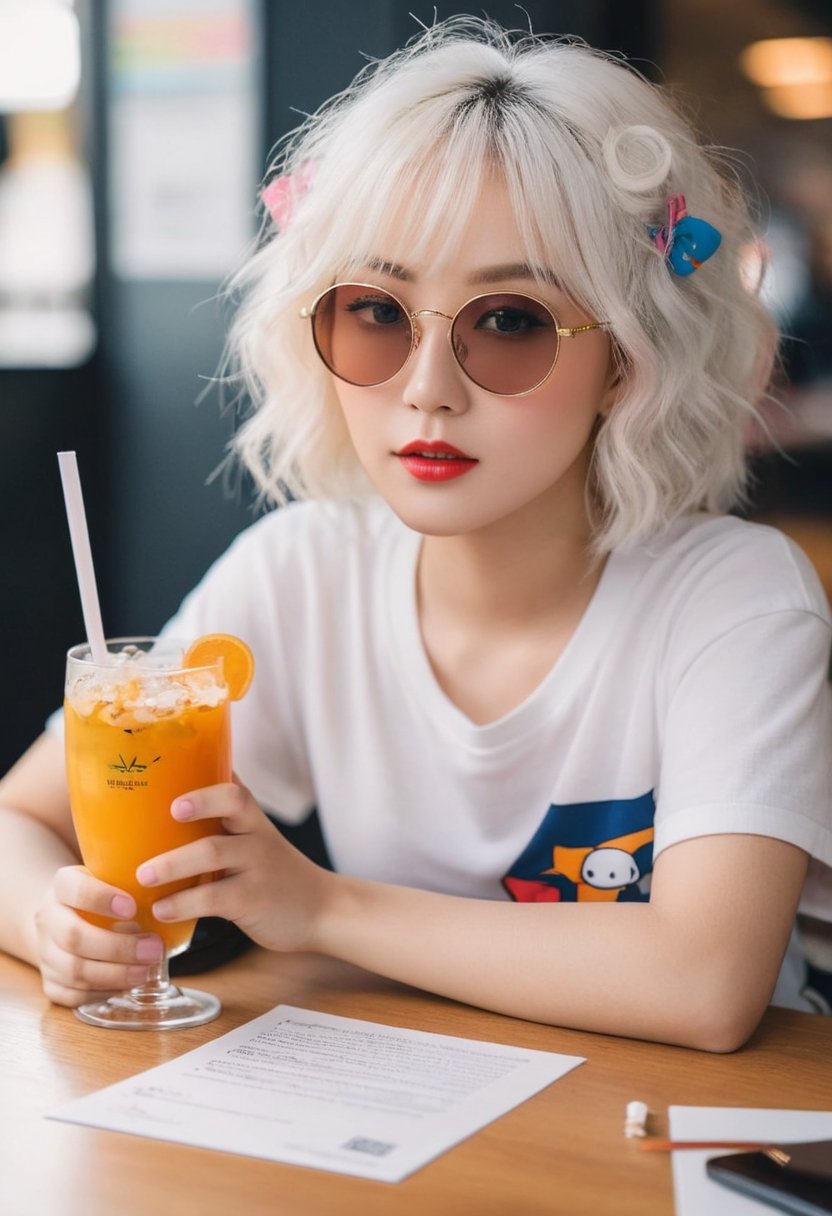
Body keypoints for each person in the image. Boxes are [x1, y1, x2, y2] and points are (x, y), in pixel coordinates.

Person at [1, 16, 830, 1051]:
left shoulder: (734, 597)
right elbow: (17, 822)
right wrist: (56, 922)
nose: (426, 391)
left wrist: (320, 908)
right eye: (376, 311)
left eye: (511, 321)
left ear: (626, 361)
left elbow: (705, 984)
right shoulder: (304, 571)